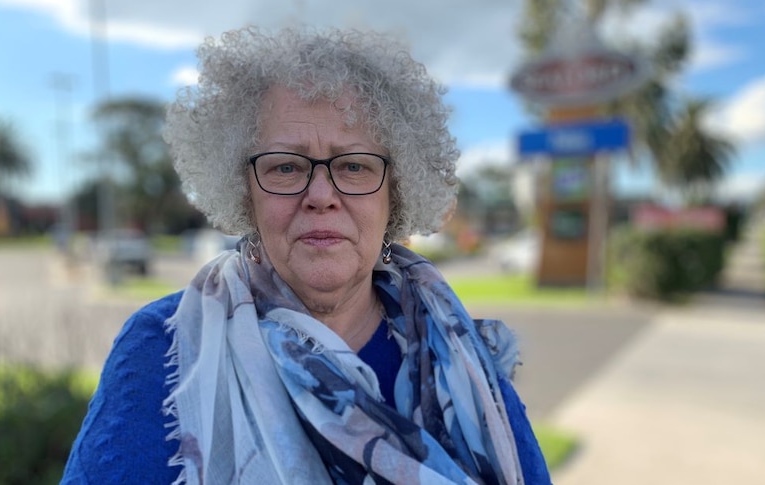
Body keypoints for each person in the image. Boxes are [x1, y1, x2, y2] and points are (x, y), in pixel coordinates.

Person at [62, 26, 552, 485]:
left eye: (355, 166)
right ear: (244, 192)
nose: (321, 194)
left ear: (395, 194)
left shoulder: (463, 358)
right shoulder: (164, 345)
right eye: (285, 167)